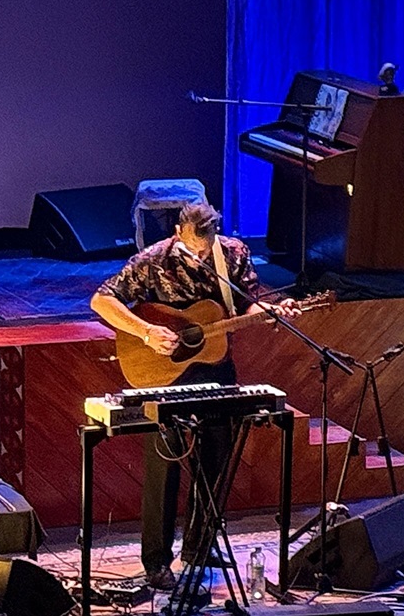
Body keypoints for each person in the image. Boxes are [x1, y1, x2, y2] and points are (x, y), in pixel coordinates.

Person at [89, 201, 299, 590]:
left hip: (215, 367)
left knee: (215, 457)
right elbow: (101, 300)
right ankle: (156, 560)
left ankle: (199, 548)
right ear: (179, 231)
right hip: (162, 374)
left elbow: (246, 302)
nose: (201, 254)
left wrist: (269, 310)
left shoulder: (232, 253)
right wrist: (145, 331)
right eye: (193, 247)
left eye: (206, 247)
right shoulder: (153, 260)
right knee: (164, 463)